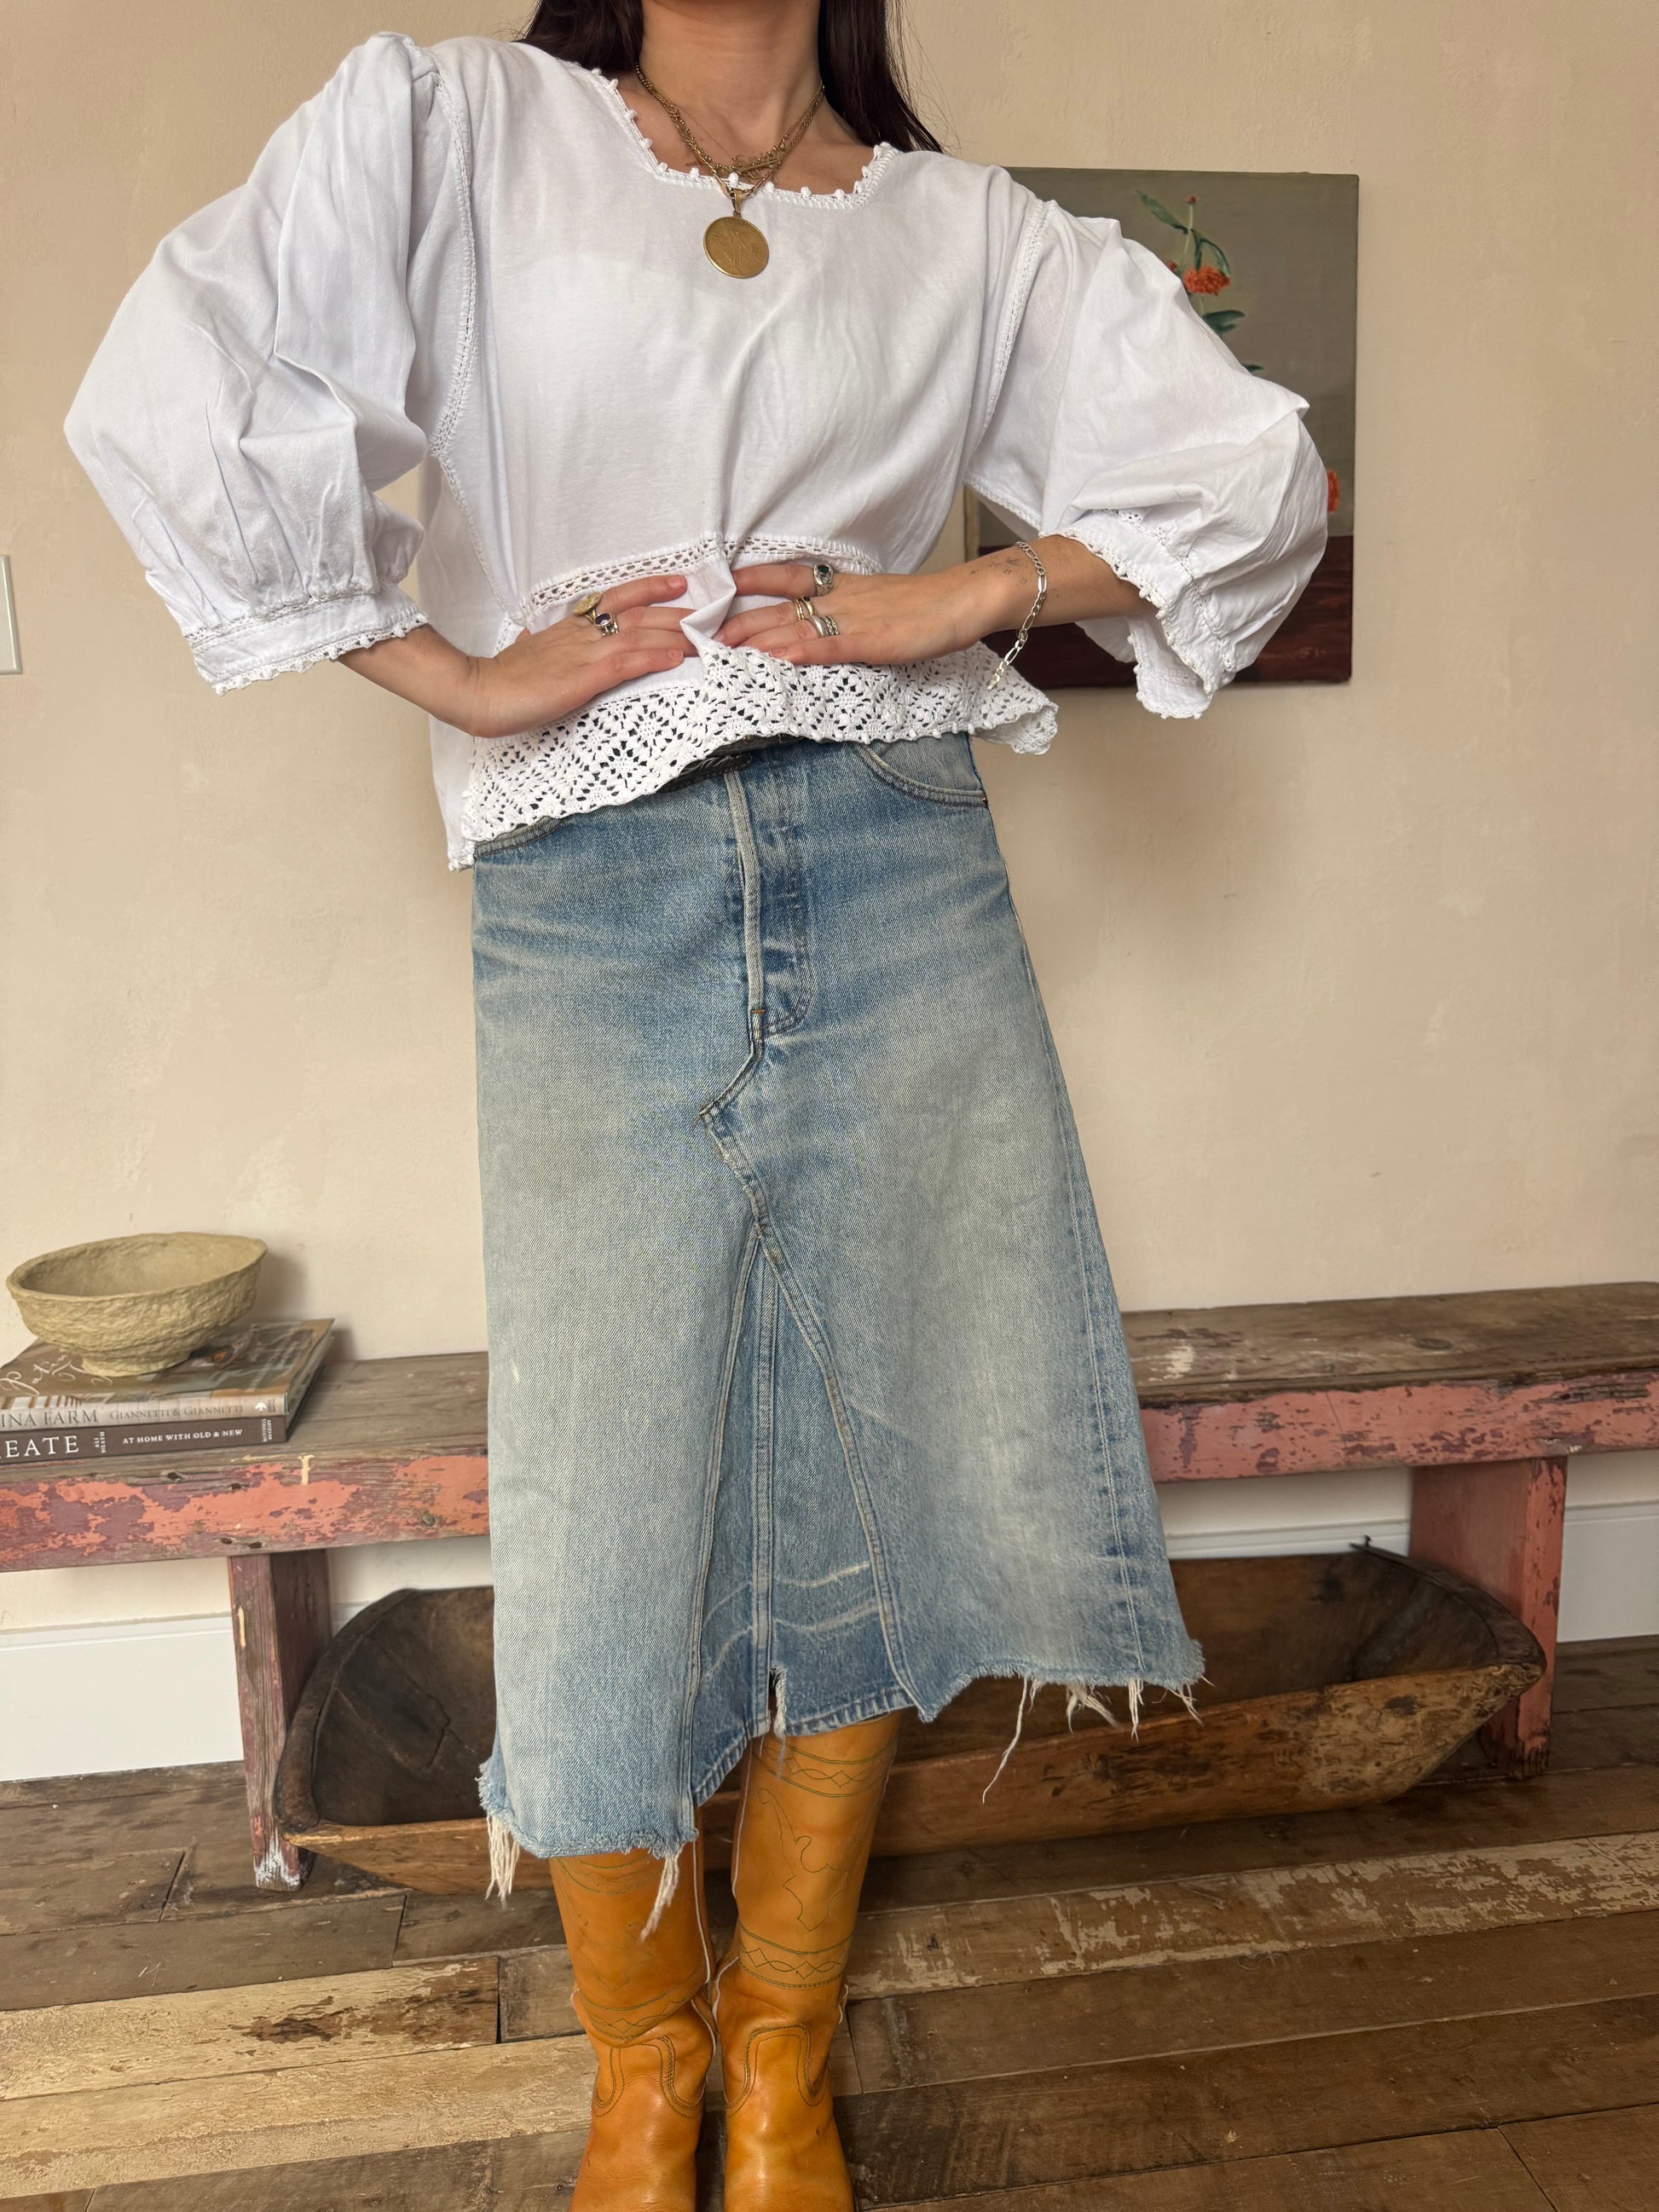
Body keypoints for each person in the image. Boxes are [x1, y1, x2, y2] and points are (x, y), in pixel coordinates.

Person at [65, 0, 1327, 2201]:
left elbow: (1255, 478)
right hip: (589, 876)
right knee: (609, 1490)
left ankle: (777, 2051)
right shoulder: (459, 125)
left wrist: (968, 594)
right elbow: (178, 386)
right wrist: (454, 672)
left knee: (877, 1436)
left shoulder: (963, 233)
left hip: (899, 858)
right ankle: (640, 2066)